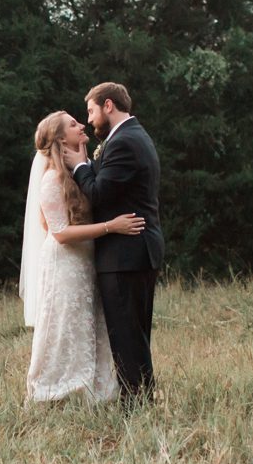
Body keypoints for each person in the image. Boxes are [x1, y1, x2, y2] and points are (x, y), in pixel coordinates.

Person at [21, 111, 144, 404]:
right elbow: (60, 232)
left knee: (89, 324)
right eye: (74, 124)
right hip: (64, 262)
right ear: (61, 138)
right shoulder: (51, 179)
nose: (82, 125)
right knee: (65, 325)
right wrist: (110, 227)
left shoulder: (82, 170)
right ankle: (55, 390)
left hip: (87, 260)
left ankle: (94, 389)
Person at [62, 82, 163, 409]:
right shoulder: (136, 136)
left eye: (91, 110)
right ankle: (144, 400)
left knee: (126, 335)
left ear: (108, 105)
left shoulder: (122, 142)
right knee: (135, 333)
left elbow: (100, 193)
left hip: (125, 253)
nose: (89, 120)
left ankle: (136, 407)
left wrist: (79, 166)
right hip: (138, 250)